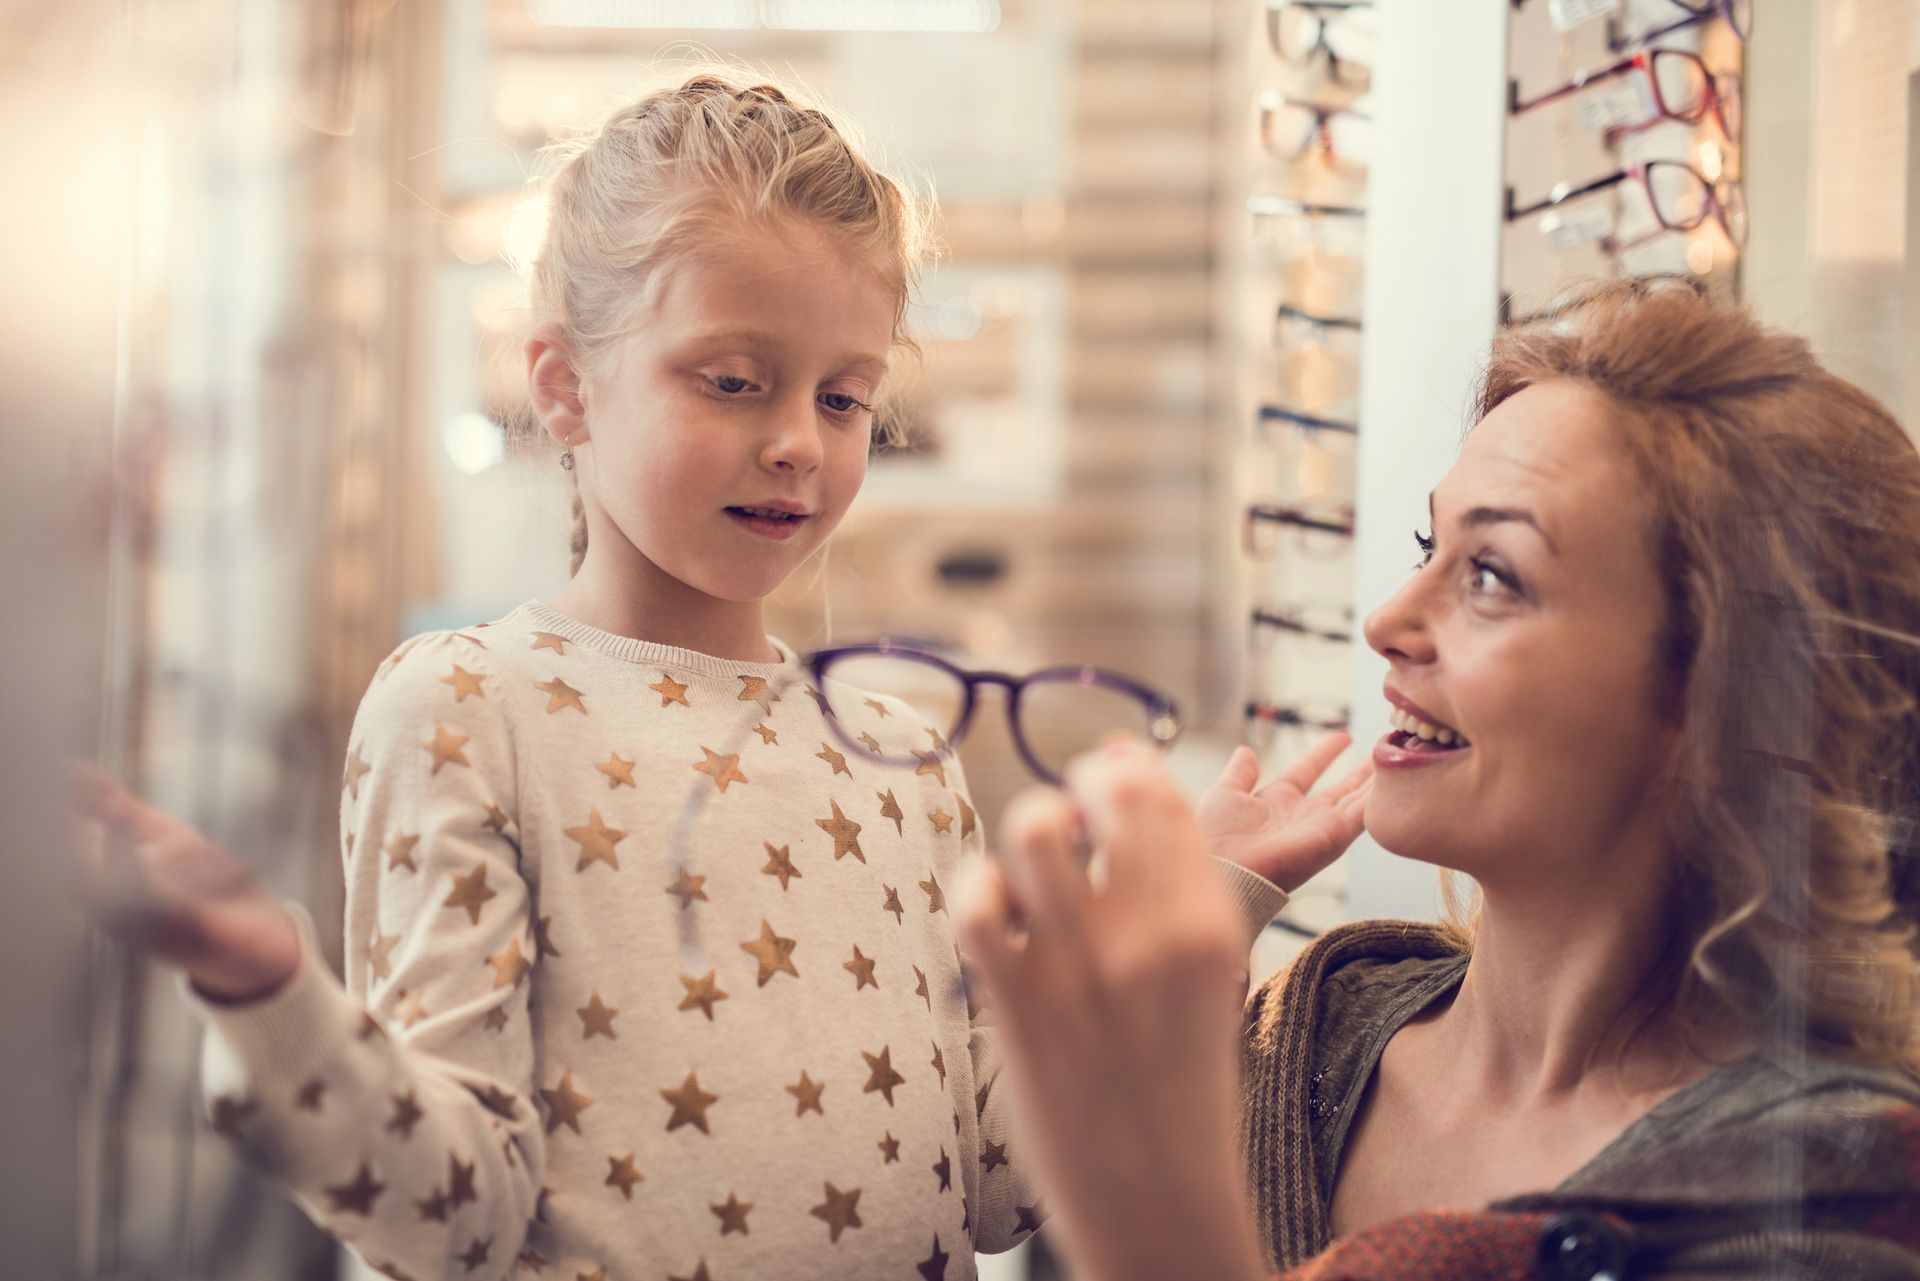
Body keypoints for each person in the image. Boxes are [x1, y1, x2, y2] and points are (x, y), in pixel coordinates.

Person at [72, 68, 1374, 1281]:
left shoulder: (895, 752)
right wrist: (263, 985)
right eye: (737, 382)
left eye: (846, 398)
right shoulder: (469, 707)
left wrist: (1197, 915)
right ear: (566, 388)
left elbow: (996, 1177)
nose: (800, 444)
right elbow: (446, 1212)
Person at [959, 280, 1920, 1281]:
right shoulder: (1304, 1038)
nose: (1387, 619)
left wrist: (1149, 1209)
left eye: (1492, 575)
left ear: (1723, 697)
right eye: (1431, 547)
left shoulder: (1827, 1208)